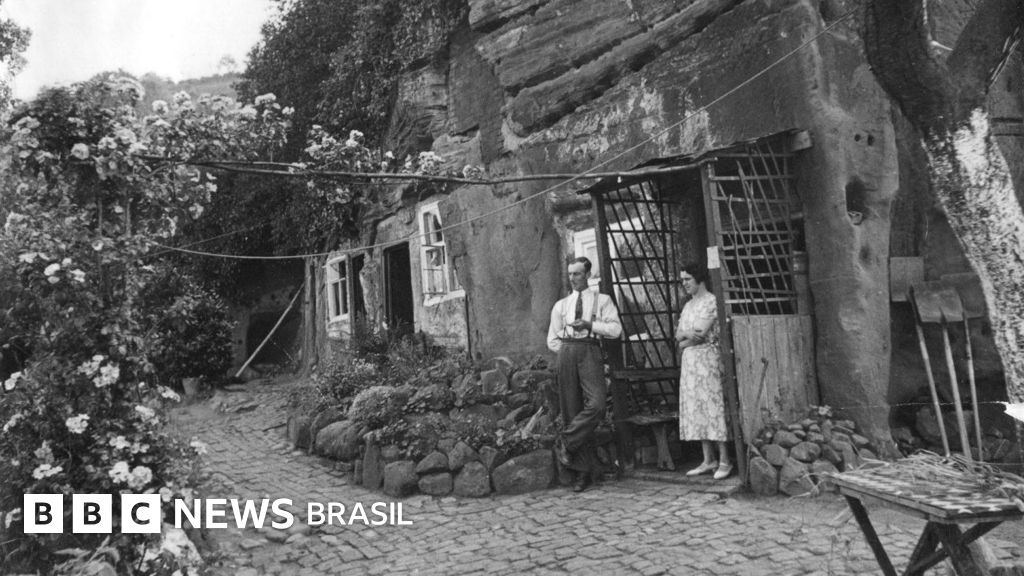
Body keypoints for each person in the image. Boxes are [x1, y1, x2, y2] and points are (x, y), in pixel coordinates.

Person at [547, 256, 622, 492]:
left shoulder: (603, 300)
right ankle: (583, 474)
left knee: (598, 404)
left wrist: (590, 327)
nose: (573, 278)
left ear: (587, 275)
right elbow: (552, 339)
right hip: (568, 352)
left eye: (577, 274)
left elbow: (616, 329)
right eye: (570, 274)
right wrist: (567, 350)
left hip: (590, 350)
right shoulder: (561, 305)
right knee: (572, 410)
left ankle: (566, 441)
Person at [675, 262, 732, 480]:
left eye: (688, 279)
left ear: (699, 279)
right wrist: (685, 339)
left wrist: (686, 337)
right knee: (696, 407)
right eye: (682, 280)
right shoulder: (688, 306)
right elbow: (679, 334)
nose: (684, 284)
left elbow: (700, 332)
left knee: (712, 406)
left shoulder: (711, 302)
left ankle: (725, 459)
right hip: (690, 362)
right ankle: (708, 459)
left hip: (707, 359)